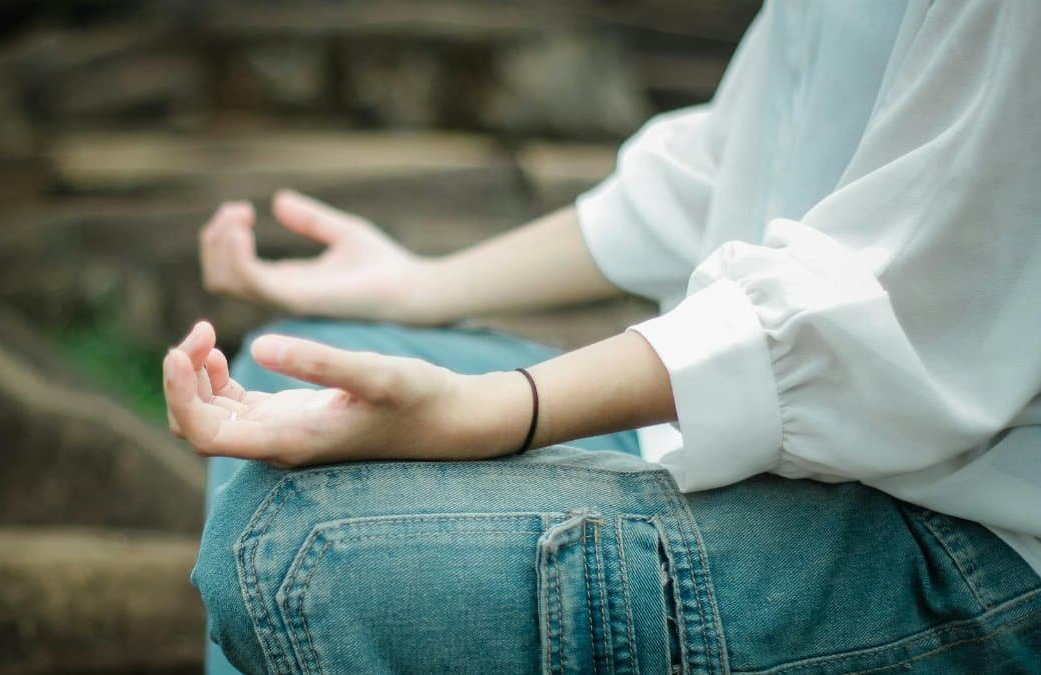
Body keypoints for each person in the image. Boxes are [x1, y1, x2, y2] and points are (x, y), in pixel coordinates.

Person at [166, 1, 1041, 672]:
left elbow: (871, 304)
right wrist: (417, 284)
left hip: (962, 531)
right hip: (746, 432)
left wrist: (499, 408)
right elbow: (724, 164)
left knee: (292, 543)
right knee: (275, 383)